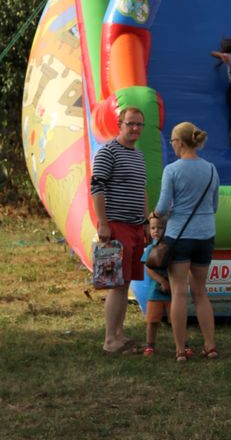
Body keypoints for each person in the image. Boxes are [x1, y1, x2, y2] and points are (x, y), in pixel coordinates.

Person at [154, 122, 220, 362]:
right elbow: (214, 206)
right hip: (205, 236)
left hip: (179, 236)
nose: (171, 145)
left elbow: (162, 208)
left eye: (172, 141)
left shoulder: (171, 170)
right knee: (201, 293)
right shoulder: (211, 169)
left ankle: (181, 350)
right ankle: (210, 346)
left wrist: (154, 216)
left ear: (180, 143)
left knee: (179, 293)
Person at [90, 107, 148, 354]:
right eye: (130, 123)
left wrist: (145, 221)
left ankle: (119, 334)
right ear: (119, 124)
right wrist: (103, 222)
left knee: (125, 283)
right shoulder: (108, 152)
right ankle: (110, 340)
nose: (135, 128)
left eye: (139, 125)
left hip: (136, 226)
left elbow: (142, 190)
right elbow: (97, 187)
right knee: (116, 283)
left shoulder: (138, 155)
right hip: (116, 224)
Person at [141, 212, 172, 357]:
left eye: (160, 228)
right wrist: (162, 281)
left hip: (172, 291)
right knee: (152, 320)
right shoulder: (150, 249)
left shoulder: (171, 247)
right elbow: (148, 268)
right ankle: (150, 346)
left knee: (177, 318)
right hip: (155, 291)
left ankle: (184, 344)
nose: (156, 231)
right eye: (153, 228)